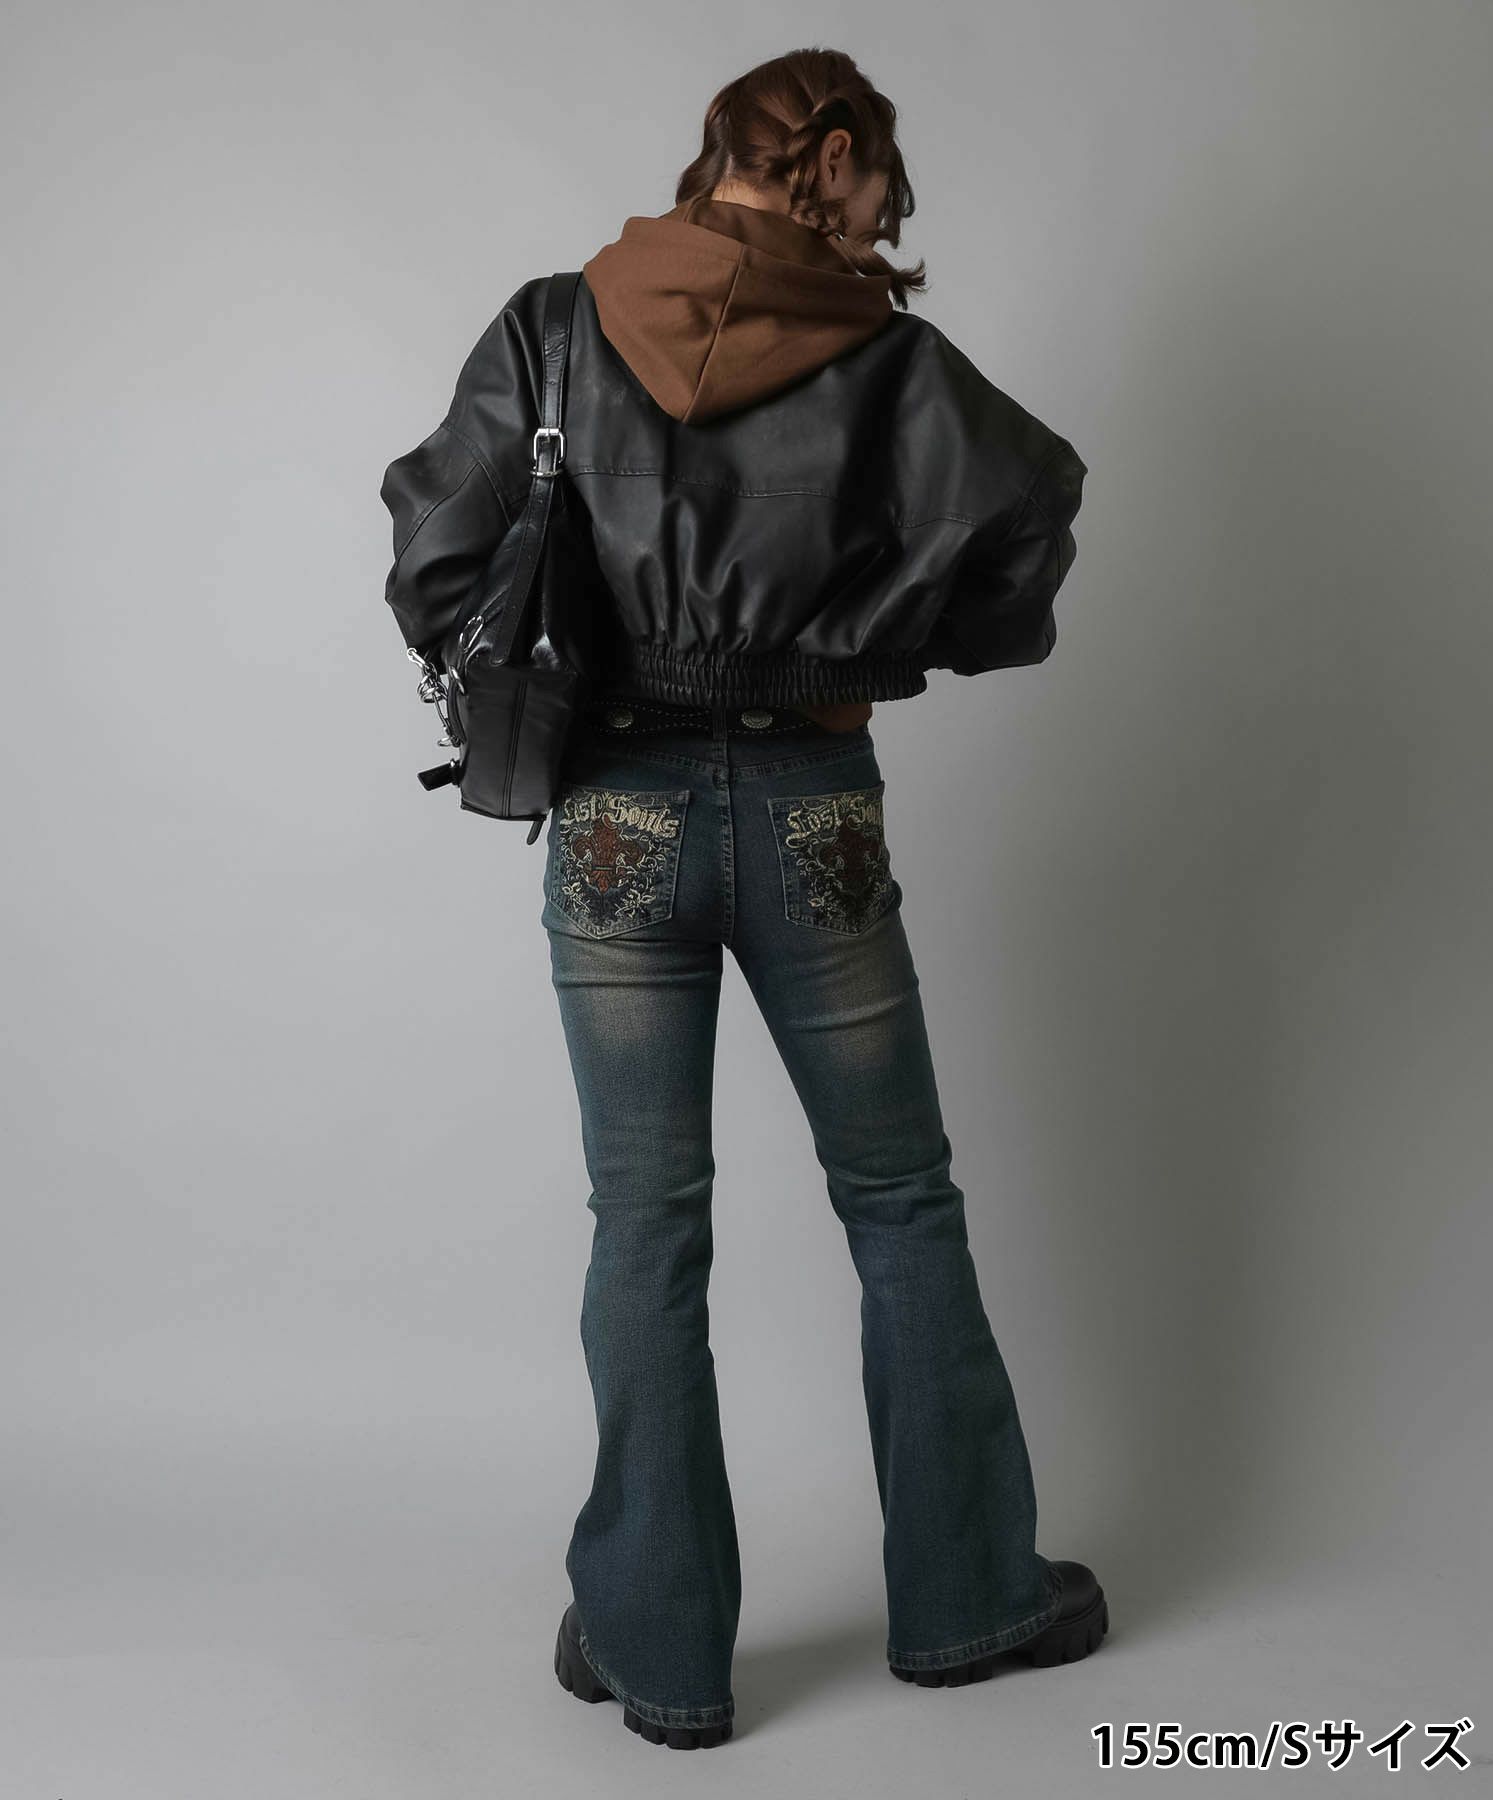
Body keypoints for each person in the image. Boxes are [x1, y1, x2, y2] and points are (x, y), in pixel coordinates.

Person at [380, 45, 1105, 1751]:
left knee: (645, 1223)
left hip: (614, 819)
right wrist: (873, 647)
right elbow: (1033, 508)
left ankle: (659, 1653)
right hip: (811, 808)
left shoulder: (552, 330)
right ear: (829, 157)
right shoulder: (889, 360)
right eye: (883, 188)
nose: (887, 223)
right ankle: (971, 1599)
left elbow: (431, 557)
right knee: (900, 1199)